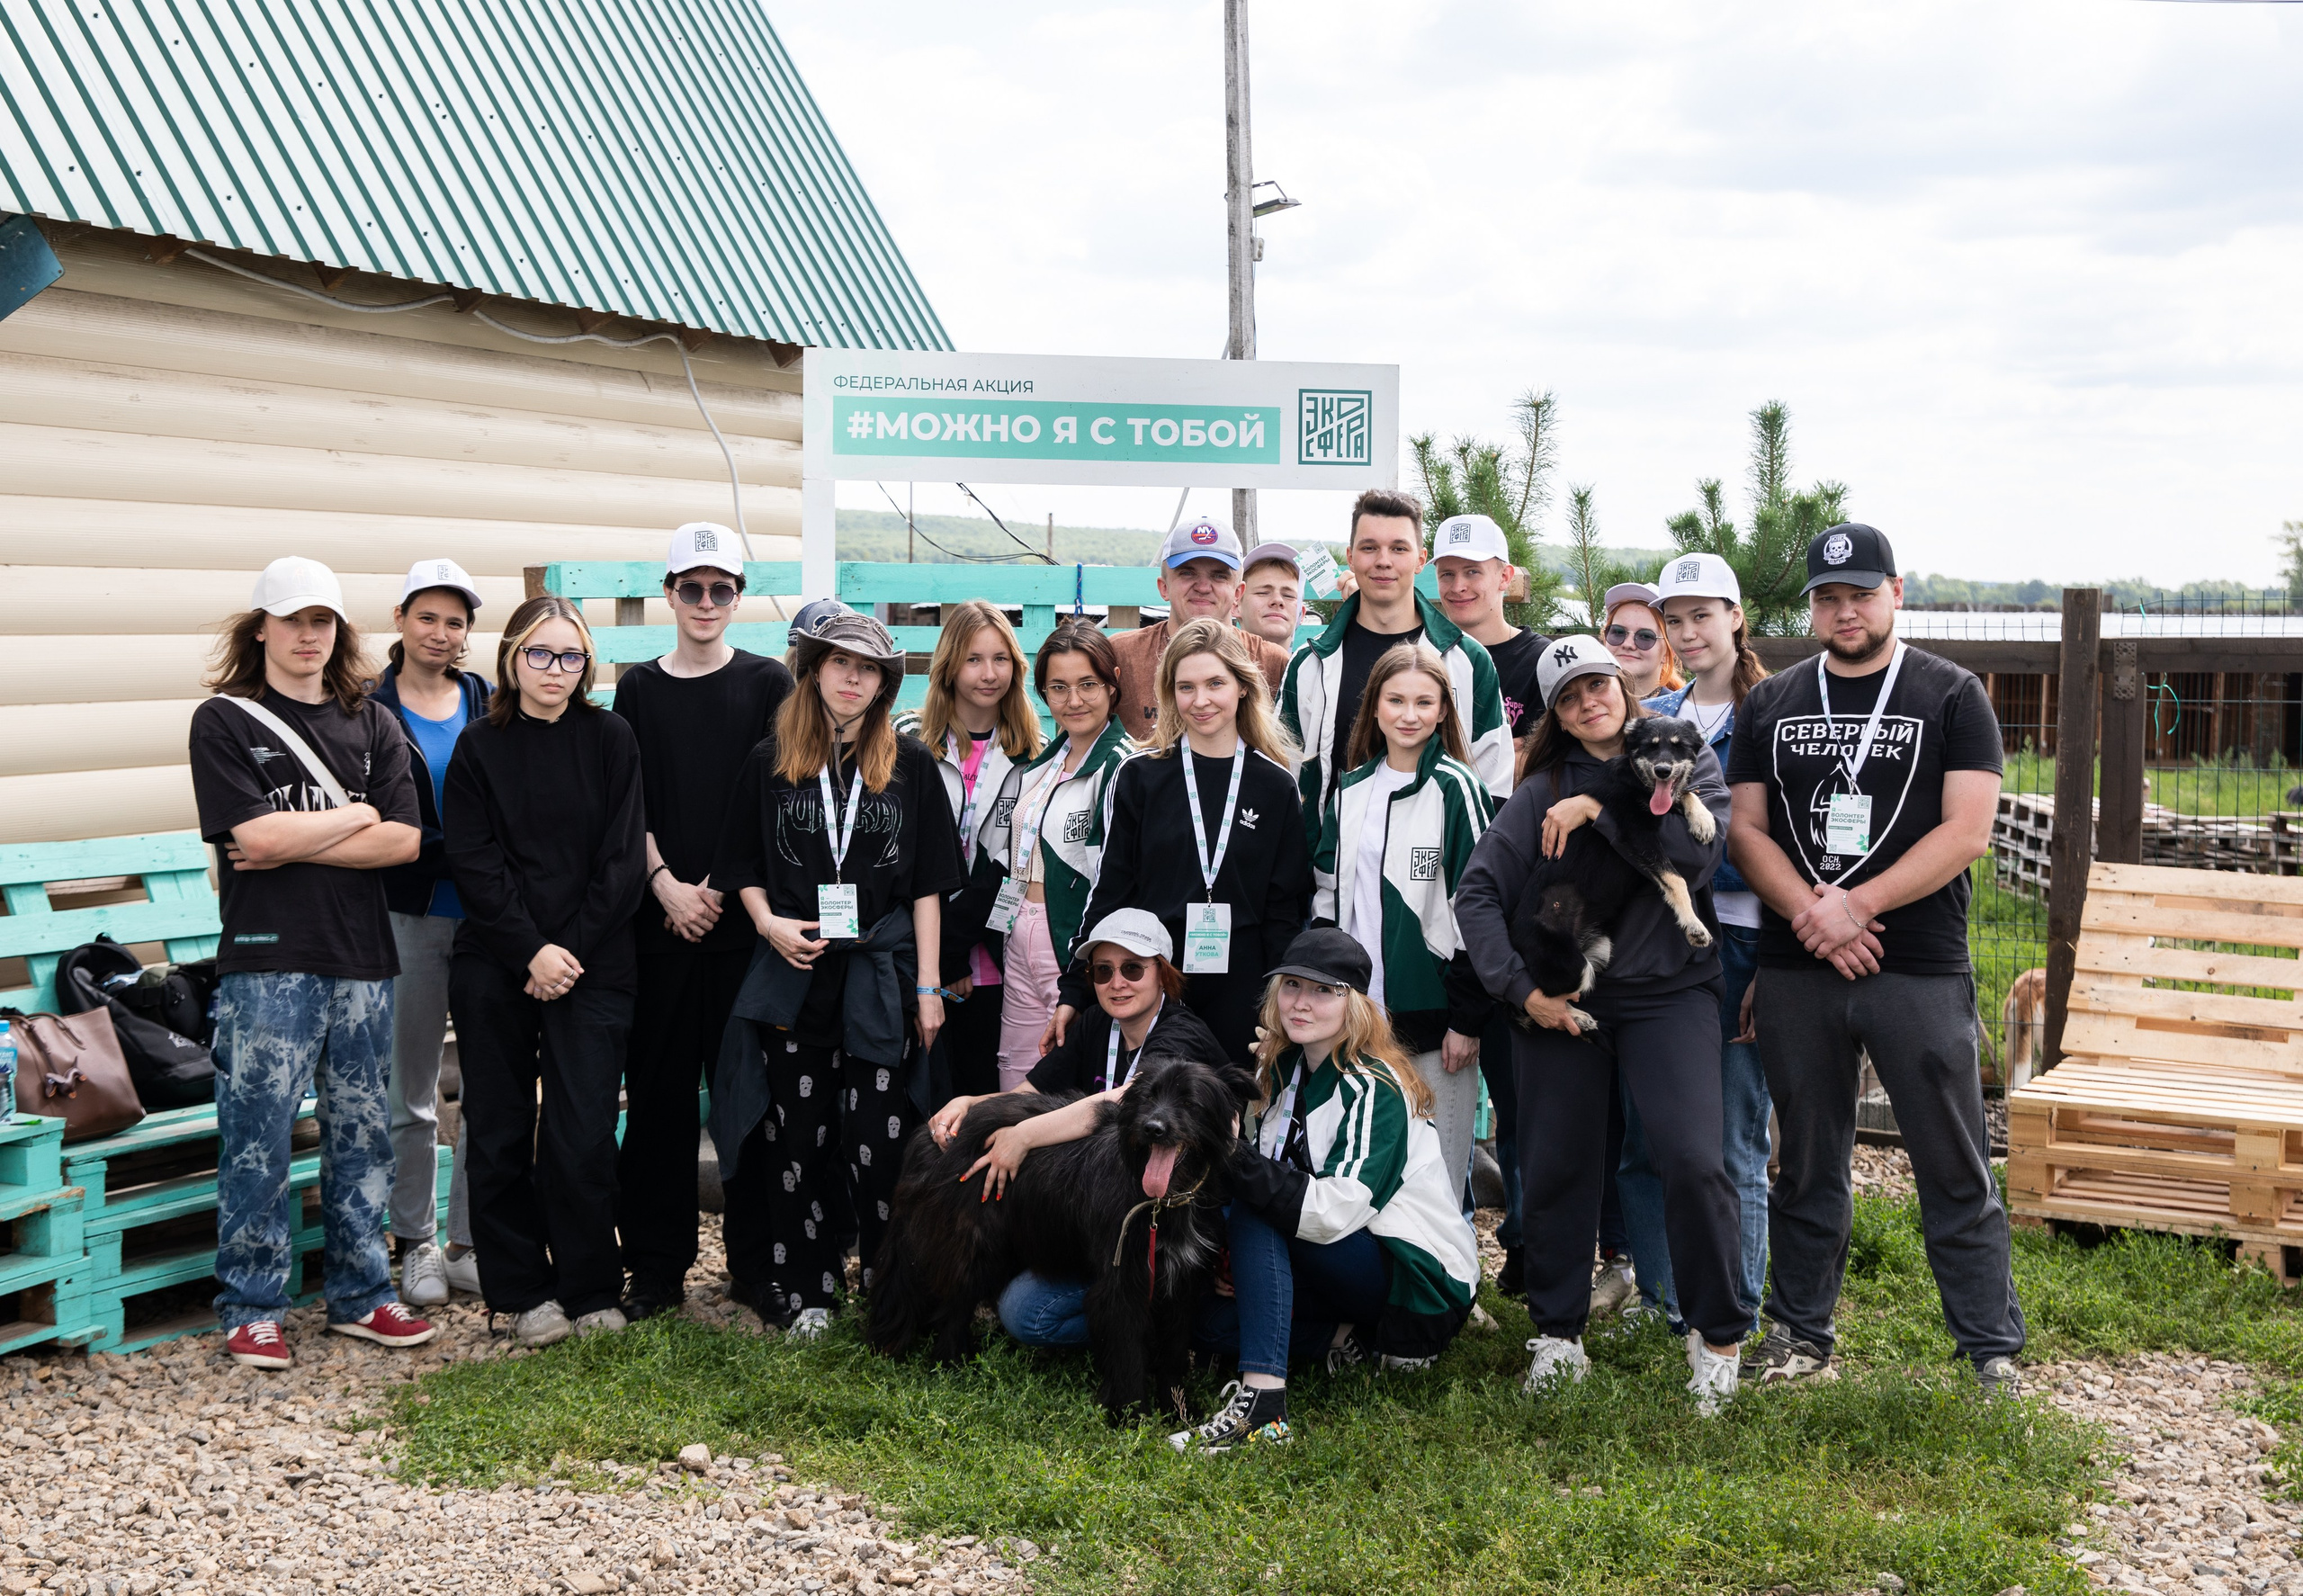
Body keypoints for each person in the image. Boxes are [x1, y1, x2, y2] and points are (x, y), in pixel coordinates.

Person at [1725, 524, 2021, 1392]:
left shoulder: (1951, 694)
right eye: (1827, 596)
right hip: (1797, 963)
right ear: (1810, 605)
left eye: (1860, 593)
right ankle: (1798, 1336)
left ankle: (1988, 1348)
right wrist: (1810, 914)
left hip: (1915, 963)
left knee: (1953, 1162)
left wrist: (1857, 906)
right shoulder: (1772, 700)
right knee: (1807, 1163)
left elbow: (1968, 831)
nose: (1844, 610)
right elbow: (1746, 829)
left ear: (1896, 591)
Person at [1453, 633, 1747, 1415]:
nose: (1589, 702)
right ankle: (1557, 1337)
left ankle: (1716, 1342)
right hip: (1564, 1004)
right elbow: (1476, 895)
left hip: (1669, 993)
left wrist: (1600, 808)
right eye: (1569, 696)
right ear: (1557, 712)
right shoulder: (1538, 788)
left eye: (1598, 685)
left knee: (1693, 1160)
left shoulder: (1685, 758)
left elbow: (1693, 855)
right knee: (1555, 1168)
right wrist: (1522, 993)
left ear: (1622, 686)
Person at [190, 556, 435, 1369]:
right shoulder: (226, 720)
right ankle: (251, 1305)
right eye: (293, 619)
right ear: (260, 626)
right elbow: (251, 839)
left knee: (363, 1136)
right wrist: (355, 817)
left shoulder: (372, 722)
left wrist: (320, 831)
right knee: (256, 1136)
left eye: (323, 621)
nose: (309, 635)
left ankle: (362, 1296)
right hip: (267, 961)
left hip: (363, 958)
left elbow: (403, 841)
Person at [710, 612, 964, 1337]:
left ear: (885, 684)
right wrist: (767, 923)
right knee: (798, 1139)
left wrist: (928, 985)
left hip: (880, 981)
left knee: (880, 1143)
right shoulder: (769, 761)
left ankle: (886, 1284)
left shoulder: (911, 766)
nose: (854, 679)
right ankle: (809, 1292)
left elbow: (925, 886)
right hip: (796, 973)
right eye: (841, 664)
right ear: (814, 669)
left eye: (870, 669)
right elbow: (744, 869)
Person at [1172, 928, 1480, 1452]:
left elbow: (1336, 1211)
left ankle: (1264, 1410)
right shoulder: (1288, 1066)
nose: (1301, 1002)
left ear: (1354, 1004)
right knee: (1209, 1322)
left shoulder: (1375, 1085)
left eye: (1323, 990)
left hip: (1416, 1283)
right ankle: (1349, 1342)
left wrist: (1232, 1155)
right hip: (1339, 1265)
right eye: (1291, 985)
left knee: (1259, 1209)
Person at [445, 595, 647, 1348]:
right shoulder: (478, 747)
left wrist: (566, 954)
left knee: (583, 1133)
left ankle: (592, 1285)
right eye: (539, 653)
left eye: (569, 656)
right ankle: (523, 1291)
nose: (554, 670)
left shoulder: (612, 738)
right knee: (498, 1129)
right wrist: (530, 950)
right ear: (511, 658)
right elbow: (475, 860)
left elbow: (623, 861)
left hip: (592, 964)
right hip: (499, 963)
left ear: (586, 664)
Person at [608, 524, 793, 1322]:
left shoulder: (768, 683)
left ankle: (754, 1264)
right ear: (670, 594)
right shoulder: (638, 690)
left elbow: (771, 799)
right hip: (661, 923)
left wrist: (715, 886)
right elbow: (629, 802)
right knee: (657, 1101)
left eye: (722, 590)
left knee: (748, 1097)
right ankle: (654, 1268)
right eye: (693, 588)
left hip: (742, 925)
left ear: (738, 599)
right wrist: (666, 886)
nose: (707, 603)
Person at [1612, 552, 1773, 1331]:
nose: (1688, 631)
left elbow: (1791, 846)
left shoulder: (1772, 711)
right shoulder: (1658, 717)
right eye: (1674, 620)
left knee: (1733, 1141)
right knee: (1650, 1138)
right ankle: (1661, 1296)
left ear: (1735, 618)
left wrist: (1772, 962)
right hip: (1664, 950)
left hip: (1743, 939)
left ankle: (1731, 1308)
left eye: (1702, 615)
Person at [1051, 619, 1309, 1068]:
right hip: (1154, 980)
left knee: (1227, 1122)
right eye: (1185, 687)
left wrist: (1281, 1006)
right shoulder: (1139, 776)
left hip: (1242, 990)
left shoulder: (1276, 785)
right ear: (1170, 694)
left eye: (1215, 683)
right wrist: (1074, 989)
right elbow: (1110, 890)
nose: (1201, 700)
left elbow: (1284, 913)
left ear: (1242, 687)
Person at [1312, 642, 1492, 1222]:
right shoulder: (1348, 790)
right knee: (1362, 1164)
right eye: (1396, 700)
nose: (1409, 714)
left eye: (1424, 701)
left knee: (1439, 1162)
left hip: (1434, 1015)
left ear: (1444, 711)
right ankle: (1377, 1296)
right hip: (1358, 1014)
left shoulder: (1456, 787)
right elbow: (1325, 895)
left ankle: (1446, 1301)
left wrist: (1466, 1016)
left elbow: (1480, 906)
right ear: (1375, 707)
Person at [1428, 512, 1550, 1291]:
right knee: (1449, 1090)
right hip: (1448, 892)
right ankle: (1449, 1247)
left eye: (1476, 571)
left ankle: (1533, 1249)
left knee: (1524, 1094)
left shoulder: (1535, 662)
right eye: (1448, 573)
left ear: (1506, 576)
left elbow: (1541, 766)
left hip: (1524, 906)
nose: (1462, 585)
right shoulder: (1428, 656)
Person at [368, 558, 490, 1309]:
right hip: (406, 913)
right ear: (402, 619)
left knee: (489, 1089)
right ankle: (412, 1243)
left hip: (483, 919)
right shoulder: (367, 709)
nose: (441, 633)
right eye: (428, 617)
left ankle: (470, 1241)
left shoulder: (486, 699)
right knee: (407, 1091)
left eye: (456, 621)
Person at [1280, 489, 1512, 840]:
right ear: (1351, 557)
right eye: (1369, 547)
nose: (1383, 561)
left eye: (1399, 549)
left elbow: (1492, 787)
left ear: (1421, 560)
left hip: (1432, 879)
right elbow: (1281, 775)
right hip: (1327, 878)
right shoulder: (1309, 664)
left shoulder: (1467, 661)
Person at [985, 621, 1135, 1090]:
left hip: (1069, 940)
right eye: (1058, 687)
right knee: (1014, 1073)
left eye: (1087, 684)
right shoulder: (1042, 764)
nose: (1074, 700)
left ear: (1112, 684)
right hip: (1018, 931)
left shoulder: (1126, 766)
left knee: (1062, 1079)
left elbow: (1115, 881)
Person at [910, 599, 1043, 1100]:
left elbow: (1015, 875)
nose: (989, 674)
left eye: (1000, 659)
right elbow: (905, 858)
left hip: (993, 963)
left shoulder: (1035, 756)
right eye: (973, 659)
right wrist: (940, 960)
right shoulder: (910, 746)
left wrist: (959, 951)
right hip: (920, 962)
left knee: (983, 1102)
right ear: (948, 667)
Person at [1110, 516, 1291, 733]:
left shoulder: (1273, 663)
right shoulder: (1121, 655)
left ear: (1237, 593)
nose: (1203, 587)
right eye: (1187, 573)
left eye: (1219, 576)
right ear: (1164, 587)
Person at [1601, 582, 1682, 701]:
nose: (1628, 644)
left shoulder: (1682, 714)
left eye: (1645, 636)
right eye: (1618, 632)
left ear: (1669, 649)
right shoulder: (1588, 707)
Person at [1238, 542, 1305, 651]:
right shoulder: (1212, 667)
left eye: (1288, 596)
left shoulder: (1314, 668)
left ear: (1301, 614)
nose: (1278, 600)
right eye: (1263, 593)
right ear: (1236, 606)